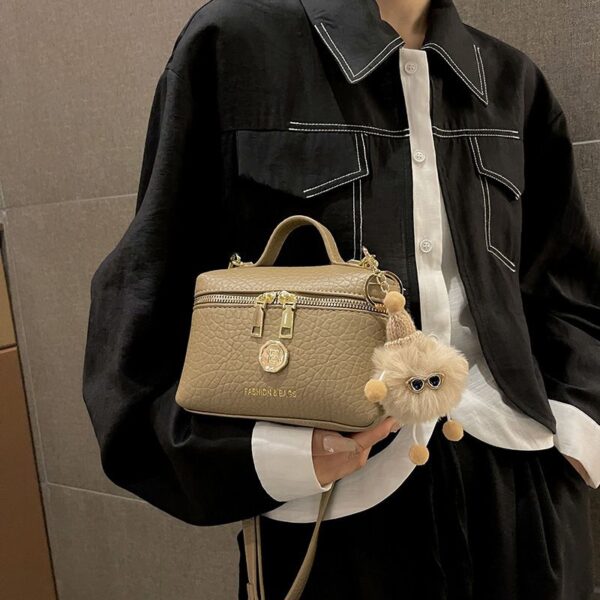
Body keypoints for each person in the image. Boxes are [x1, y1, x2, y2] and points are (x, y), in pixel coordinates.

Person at [82, 0, 600, 598]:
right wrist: (263, 455)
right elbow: (149, 291)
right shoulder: (236, 45)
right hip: (333, 510)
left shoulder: (510, 79)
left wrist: (575, 431)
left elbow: (567, 282)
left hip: (523, 492)